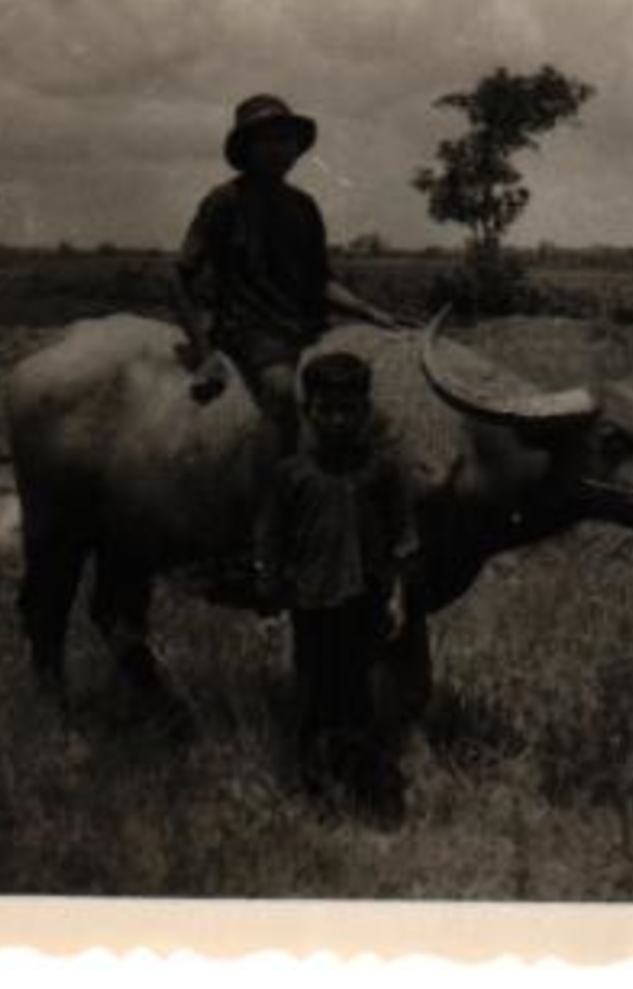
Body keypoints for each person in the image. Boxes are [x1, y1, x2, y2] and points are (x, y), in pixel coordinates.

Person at [175, 93, 401, 449]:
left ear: (297, 147)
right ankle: (282, 488)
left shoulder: (303, 207)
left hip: (306, 330)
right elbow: (180, 275)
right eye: (265, 140)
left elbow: (319, 282)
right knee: (283, 395)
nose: (278, 149)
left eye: (285, 139)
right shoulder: (225, 201)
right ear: (246, 149)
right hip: (252, 333)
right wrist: (205, 355)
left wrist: (370, 311)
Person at [254, 351, 419, 823]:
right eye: (326, 410)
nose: (337, 421)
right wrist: (273, 604)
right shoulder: (291, 475)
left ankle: (372, 797)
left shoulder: (383, 470)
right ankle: (317, 795)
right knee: (312, 696)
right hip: (312, 604)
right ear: (309, 413)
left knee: (365, 699)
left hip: (367, 603)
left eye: (348, 410)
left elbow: (404, 535)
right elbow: (271, 540)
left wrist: (397, 596)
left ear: (365, 412)